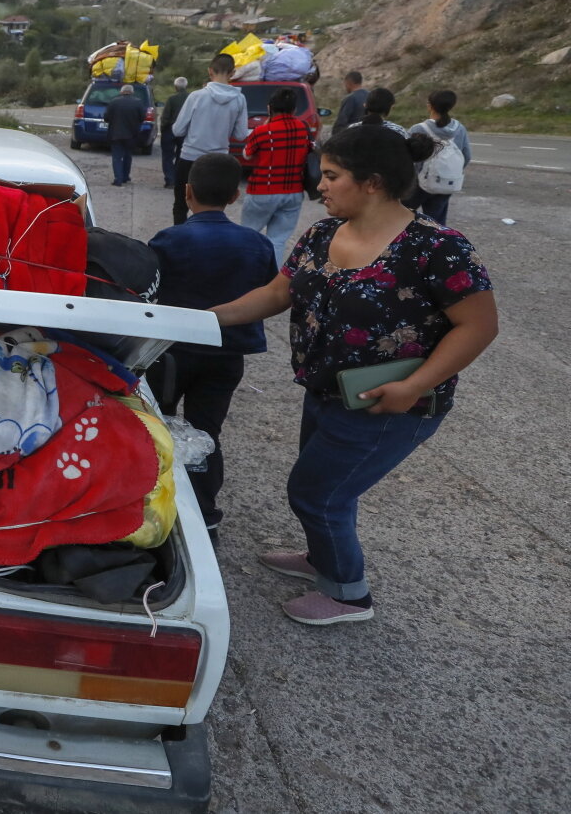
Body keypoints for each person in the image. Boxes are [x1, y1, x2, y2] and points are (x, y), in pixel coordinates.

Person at [211, 125, 497, 625]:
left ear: (373, 182)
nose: (319, 186)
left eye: (331, 176)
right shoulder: (323, 233)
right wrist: (208, 316)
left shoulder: (438, 247)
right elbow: (279, 293)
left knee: (318, 493)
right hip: (326, 390)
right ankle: (322, 559)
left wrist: (413, 386)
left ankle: (348, 595)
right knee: (327, 485)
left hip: (390, 403)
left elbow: (479, 326)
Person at [146, 153, 277, 538]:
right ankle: (205, 512)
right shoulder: (258, 244)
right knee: (207, 431)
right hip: (226, 357)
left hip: (171, 354)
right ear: (236, 196)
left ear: (187, 192)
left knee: (158, 423)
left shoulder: (169, 239)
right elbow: (267, 293)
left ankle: (154, 500)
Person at [170, 53, 248, 225]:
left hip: (190, 158)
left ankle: (181, 243)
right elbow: (241, 134)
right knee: (214, 209)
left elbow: (177, 130)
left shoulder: (196, 96)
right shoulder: (239, 99)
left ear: (210, 71)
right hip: (219, 161)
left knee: (181, 207)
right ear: (233, 72)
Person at [240, 87, 311, 265]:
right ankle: (273, 279)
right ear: (294, 110)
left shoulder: (263, 131)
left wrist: (265, 125)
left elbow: (247, 154)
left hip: (262, 190)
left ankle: (247, 274)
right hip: (293, 192)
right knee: (278, 240)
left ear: (269, 108)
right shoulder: (303, 129)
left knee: (249, 236)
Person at [405, 90, 471, 225]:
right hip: (446, 181)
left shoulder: (418, 129)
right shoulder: (460, 129)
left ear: (429, 106)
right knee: (436, 224)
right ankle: (435, 245)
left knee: (402, 217)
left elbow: (406, 158)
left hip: (418, 183)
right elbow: (467, 156)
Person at [104, 84, 147, 186]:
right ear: (132, 92)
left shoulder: (114, 102)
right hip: (132, 134)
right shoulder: (138, 103)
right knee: (128, 156)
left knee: (117, 157)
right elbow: (142, 118)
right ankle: (125, 177)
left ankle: (118, 179)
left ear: (121, 92)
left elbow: (106, 118)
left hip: (116, 134)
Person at [159, 76, 190, 188]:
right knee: (181, 156)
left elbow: (165, 116)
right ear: (186, 86)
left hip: (170, 130)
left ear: (175, 87)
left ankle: (169, 180)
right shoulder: (191, 98)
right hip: (185, 131)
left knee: (167, 156)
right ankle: (178, 179)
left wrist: (162, 129)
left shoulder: (172, 99)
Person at [330, 71, 367, 137]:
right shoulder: (370, 95)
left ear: (349, 83)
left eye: (345, 84)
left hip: (353, 137)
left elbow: (340, 124)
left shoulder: (350, 98)